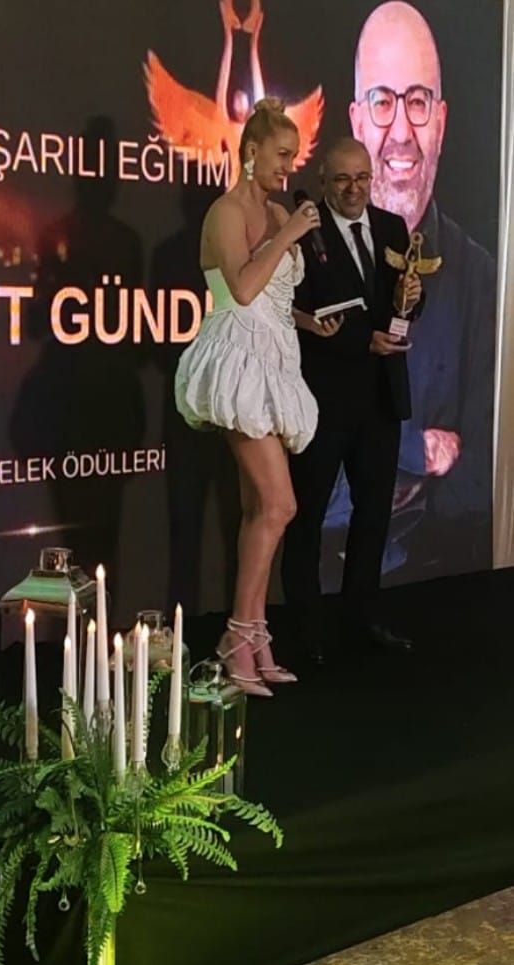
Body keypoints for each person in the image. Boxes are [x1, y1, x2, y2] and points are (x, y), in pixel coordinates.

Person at [335, 0, 495, 580]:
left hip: (444, 586)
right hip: (329, 588)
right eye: (383, 102)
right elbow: (307, 478)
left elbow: (484, 480)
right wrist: (415, 455)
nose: (401, 132)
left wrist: (376, 477)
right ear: (357, 122)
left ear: (442, 122)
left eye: (419, 102)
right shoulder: (311, 265)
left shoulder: (483, 280)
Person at [174, 97, 323, 696]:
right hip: (236, 364)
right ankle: (236, 637)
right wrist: (287, 234)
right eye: (282, 155)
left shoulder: (276, 209)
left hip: (275, 362)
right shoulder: (226, 212)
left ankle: (255, 637)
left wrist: (310, 323)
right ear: (251, 151)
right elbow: (239, 290)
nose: (288, 166)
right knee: (280, 505)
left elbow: (274, 296)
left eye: (294, 156)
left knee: (260, 509)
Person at [281, 137, 423, 664]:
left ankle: (362, 616)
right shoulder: (303, 228)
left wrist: (411, 299)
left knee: (373, 515)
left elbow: (404, 304)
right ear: (323, 181)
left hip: (382, 397)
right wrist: (362, 341)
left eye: (362, 178)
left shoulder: (393, 227)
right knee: (308, 516)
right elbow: (293, 311)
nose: (353, 189)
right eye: (342, 179)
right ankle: (304, 628)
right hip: (323, 399)